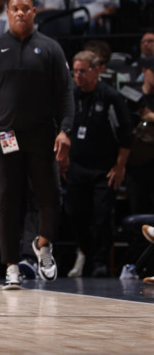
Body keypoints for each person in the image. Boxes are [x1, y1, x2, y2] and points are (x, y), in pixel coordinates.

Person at [0, 0, 74, 290]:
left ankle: (43, 247)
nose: (20, 13)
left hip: (42, 134)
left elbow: (65, 94)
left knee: (50, 196)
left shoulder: (50, 48)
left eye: (25, 8)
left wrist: (65, 129)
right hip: (5, 135)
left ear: (34, 12)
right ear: (7, 13)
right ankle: (12, 266)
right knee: (8, 201)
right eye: (15, 8)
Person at [66, 50, 131, 277]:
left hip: (104, 169)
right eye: (75, 71)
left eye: (83, 71)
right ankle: (84, 252)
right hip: (77, 166)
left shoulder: (110, 97)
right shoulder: (72, 96)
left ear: (96, 71)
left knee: (101, 216)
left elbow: (125, 134)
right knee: (75, 213)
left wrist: (120, 166)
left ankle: (100, 262)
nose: (78, 76)